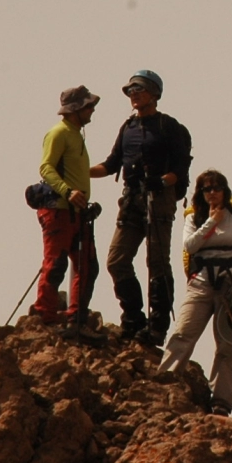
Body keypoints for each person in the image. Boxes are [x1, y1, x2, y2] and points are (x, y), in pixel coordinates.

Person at [90, 69, 192, 346]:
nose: (133, 95)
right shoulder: (128, 128)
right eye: (130, 91)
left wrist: (162, 181)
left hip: (159, 199)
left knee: (157, 262)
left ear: (154, 94)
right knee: (116, 260)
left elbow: (181, 167)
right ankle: (134, 320)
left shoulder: (168, 126)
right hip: (131, 199)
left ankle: (157, 327)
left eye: (139, 90)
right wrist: (78, 172)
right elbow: (111, 164)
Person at [160, 169, 232, 416]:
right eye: (207, 189)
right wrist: (212, 221)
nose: (212, 193)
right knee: (183, 332)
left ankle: (222, 402)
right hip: (201, 283)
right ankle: (164, 383)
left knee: (227, 345)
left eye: (217, 188)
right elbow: (190, 246)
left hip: (230, 285)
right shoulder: (194, 217)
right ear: (200, 193)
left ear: (225, 191)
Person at [31, 86, 101, 328]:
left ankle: (76, 319)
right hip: (58, 210)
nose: (92, 110)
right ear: (75, 109)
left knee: (87, 265)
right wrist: (68, 192)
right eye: (88, 106)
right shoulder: (59, 133)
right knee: (56, 264)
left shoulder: (75, 134)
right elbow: (46, 168)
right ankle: (45, 316)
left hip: (77, 212)